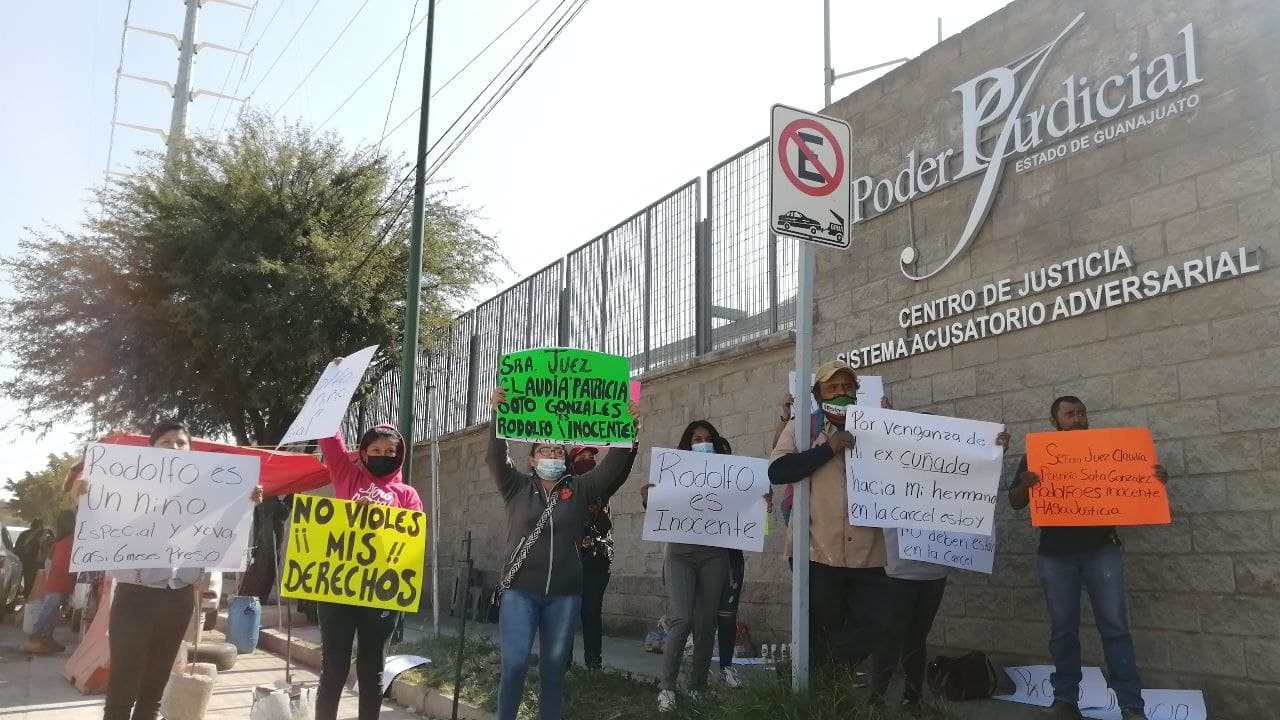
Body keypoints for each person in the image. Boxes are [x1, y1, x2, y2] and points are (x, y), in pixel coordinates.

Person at [81, 420, 264, 720]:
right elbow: (98, 524)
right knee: (122, 687)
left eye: (181, 442)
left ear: (192, 450)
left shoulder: (210, 492)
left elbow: (224, 535)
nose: (175, 447)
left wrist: (246, 504)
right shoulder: (125, 487)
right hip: (134, 598)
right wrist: (86, 497)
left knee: (155, 688)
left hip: (178, 598)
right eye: (167, 442)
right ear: (151, 449)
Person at [1007, 396, 1168, 720]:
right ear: (1054, 421)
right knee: (1063, 630)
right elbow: (1015, 502)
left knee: (1115, 628)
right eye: (1070, 414)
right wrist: (1025, 485)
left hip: (1101, 550)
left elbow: (1135, 485)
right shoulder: (1037, 454)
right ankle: (1066, 701)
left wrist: (1155, 481)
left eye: (1081, 413)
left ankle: (1131, 706)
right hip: (1055, 555)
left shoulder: (1108, 449)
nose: (1078, 418)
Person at [489, 387, 639, 720]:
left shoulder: (580, 489)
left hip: (564, 596)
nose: (552, 456)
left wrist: (628, 429)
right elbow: (495, 458)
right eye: (545, 450)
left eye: (558, 451)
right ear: (532, 459)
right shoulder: (515, 487)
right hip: (520, 594)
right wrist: (497, 415)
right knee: (513, 666)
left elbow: (612, 469)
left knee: (554, 671)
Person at [870, 418, 1011, 714]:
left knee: (916, 639)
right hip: (896, 570)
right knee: (890, 637)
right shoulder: (890, 473)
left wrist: (994, 453)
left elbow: (980, 483)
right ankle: (876, 698)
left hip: (934, 572)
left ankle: (913, 697)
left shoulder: (949, 477)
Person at [768, 360, 889, 680]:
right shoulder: (802, 429)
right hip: (816, 551)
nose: (841, 392)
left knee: (877, 624)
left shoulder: (879, 428)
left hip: (868, 552)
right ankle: (820, 693)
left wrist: (988, 448)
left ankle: (815, 676)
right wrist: (828, 448)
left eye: (848, 387)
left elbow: (924, 460)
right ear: (818, 395)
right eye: (833, 387)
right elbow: (778, 471)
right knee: (822, 628)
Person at [315, 389, 423, 720]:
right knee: (333, 668)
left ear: (399, 455)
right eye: (375, 450)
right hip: (339, 590)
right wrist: (333, 385)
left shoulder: (407, 494)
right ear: (362, 453)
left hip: (380, 594)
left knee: (372, 670)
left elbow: (412, 541)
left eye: (390, 451)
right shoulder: (347, 475)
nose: (382, 455)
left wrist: (382, 522)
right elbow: (329, 439)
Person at [565, 445, 613, 670]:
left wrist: (631, 443)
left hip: (597, 558)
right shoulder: (564, 487)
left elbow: (620, 470)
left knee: (591, 611)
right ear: (572, 462)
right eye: (582, 457)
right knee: (567, 611)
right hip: (567, 559)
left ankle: (594, 664)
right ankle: (562, 663)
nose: (588, 461)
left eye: (591, 457)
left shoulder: (602, 485)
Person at [20, 509, 76, 654]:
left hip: (58, 582)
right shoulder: (67, 541)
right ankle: (35, 637)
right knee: (49, 609)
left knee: (51, 610)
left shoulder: (61, 540)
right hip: (58, 582)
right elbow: (62, 564)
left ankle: (45, 638)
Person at [15, 518, 45, 597]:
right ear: (41, 527)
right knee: (29, 586)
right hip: (32, 564)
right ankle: (27, 601)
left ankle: (12, 604)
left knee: (17, 585)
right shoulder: (40, 536)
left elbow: (16, 549)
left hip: (21, 562)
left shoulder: (23, 534)